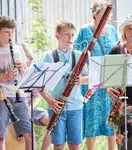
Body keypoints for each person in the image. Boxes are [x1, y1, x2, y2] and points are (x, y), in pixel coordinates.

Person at [74, 1, 119, 150]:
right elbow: (77, 55)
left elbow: (118, 53)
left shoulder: (112, 30)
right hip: (93, 83)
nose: (107, 17)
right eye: (103, 14)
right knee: (91, 122)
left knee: (111, 121)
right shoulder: (85, 31)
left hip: (110, 82)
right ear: (95, 14)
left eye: (109, 14)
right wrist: (87, 74)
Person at [39, 20, 88, 150]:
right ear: (57, 36)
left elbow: (88, 78)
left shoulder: (78, 56)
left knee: (75, 144)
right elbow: (39, 85)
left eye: (72, 35)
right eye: (66, 34)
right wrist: (50, 101)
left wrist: (80, 80)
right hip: (56, 106)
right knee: (58, 145)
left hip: (75, 106)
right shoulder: (49, 56)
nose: (70, 37)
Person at [0, 16, 33, 150]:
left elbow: (25, 75)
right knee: (0, 135)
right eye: (7, 31)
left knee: (28, 133)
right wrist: (4, 76)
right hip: (1, 96)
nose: (10, 35)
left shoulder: (18, 49)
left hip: (19, 95)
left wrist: (23, 67)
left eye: (12, 32)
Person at [107, 15, 132, 150]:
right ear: (124, 32)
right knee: (126, 142)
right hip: (124, 102)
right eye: (129, 28)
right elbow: (106, 77)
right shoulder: (116, 50)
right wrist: (108, 89)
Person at [21, 43, 51, 150]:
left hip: (30, 109)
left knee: (54, 121)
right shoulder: (12, 73)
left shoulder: (33, 73)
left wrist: (29, 109)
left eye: (31, 57)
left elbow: (37, 96)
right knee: (28, 129)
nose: (31, 59)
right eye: (28, 56)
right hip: (14, 111)